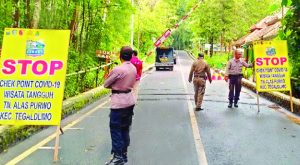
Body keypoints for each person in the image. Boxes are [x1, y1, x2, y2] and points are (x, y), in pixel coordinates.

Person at [104, 46, 137, 165]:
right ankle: (124, 154)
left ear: (120, 56)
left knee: (115, 129)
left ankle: (117, 157)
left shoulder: (118, 69)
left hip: (118, 102)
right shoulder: (133, 68)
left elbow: (106, 84)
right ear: (131, 56)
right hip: (130, 100)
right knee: (125, 128)